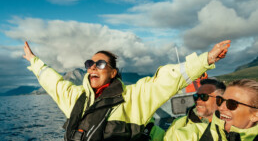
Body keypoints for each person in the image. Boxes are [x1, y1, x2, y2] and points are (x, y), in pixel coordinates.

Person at [23, 40, 230, 141]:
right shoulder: (76, 98)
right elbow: (54, 83)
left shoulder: (134, 97)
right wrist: (34, 61)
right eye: (89, 63)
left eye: (101, 64)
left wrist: (206, 59)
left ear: (113, 73)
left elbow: (167, 79)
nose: (93, 67)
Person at [170, 79, 258, 141]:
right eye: (196, 96)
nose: (221, 107)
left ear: (255, 115)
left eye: (232, 104)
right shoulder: (190, 130)